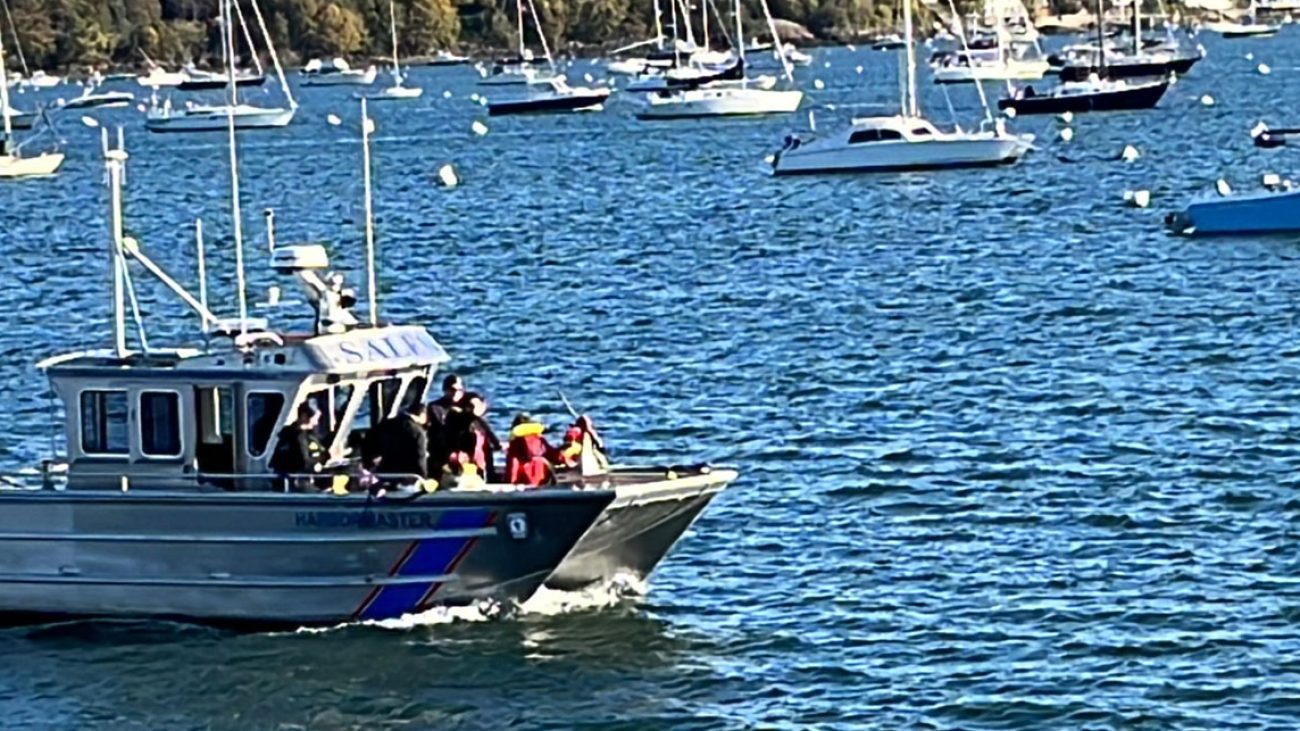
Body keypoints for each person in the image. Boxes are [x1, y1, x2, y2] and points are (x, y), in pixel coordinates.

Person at [442, 392, 502, 483]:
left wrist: (497, 445)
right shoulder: (460, 420)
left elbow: (493, 438)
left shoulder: (479, 421)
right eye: (471, 406)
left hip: (479, 459)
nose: (474, 409)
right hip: (468, 461)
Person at [365, 401, 430, 480]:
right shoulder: (417, 431)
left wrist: (369, 466)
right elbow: (420, 457)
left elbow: (368, 443)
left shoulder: (385, 424)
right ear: (422, 415)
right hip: (407, 475)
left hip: (384, 472)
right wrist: (424, 477)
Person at [269, 402, 327, 490]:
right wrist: (321, 458)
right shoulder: (292, 436)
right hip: (293, 481)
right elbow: (304, 462)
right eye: (315, 419)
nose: (316, 423)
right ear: (304, 416)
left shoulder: (307, 436)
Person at [505, 413, 559, 487]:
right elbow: (553, 454)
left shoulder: (515, 442)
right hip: (538, 476)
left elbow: (512, 472)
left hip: (524, 479)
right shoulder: (539, 438)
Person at [425, 374, 465, 474]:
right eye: (452, 389)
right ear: (445, 390)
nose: (456, 393)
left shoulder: (466, 406)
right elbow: (440, 426)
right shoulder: (435, 407)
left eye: (459, 390)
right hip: (441, 451)